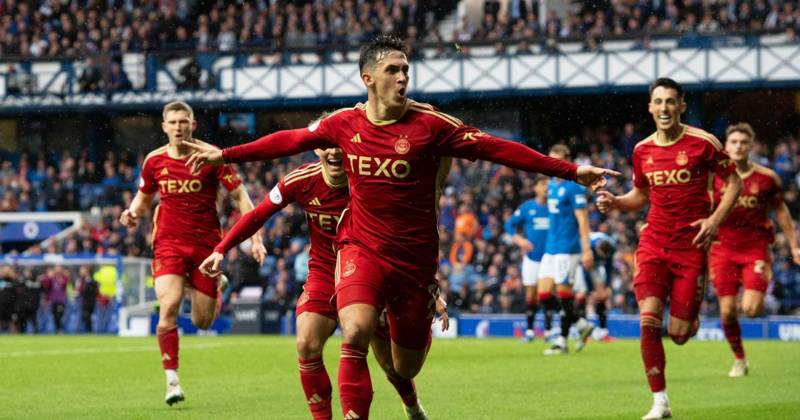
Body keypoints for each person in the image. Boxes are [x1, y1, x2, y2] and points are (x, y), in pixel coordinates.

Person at [185, 35, 617, 419]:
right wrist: (227, 155)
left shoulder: (432, 126)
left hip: (414, 263)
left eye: (406, 69)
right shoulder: (344, 124)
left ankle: (409, 389)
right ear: (368, 77)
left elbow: (498, 149)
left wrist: (570, 170)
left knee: (404, 366)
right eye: (393, 69)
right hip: (359, 247)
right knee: (353, 330)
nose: (403, 76)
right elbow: (289, 140)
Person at [199, 149, 445, 420]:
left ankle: (411, 406)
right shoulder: (302, 180)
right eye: (326, 146)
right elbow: (259, 214)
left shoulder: (369, 181)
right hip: (325, 273)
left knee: (389, 363)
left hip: (370, 270)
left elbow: (409, 229)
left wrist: (423, 283)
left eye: (339, 147)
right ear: (318, 150)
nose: (333, 152)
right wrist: (221, 249)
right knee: (306, 343)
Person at [596, 77, 742, 420]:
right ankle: (660, 402)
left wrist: (715, 220)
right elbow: (641, 195)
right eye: (658, 102)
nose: (664, 108)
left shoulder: (703, 143)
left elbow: (733, 182)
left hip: (690, 246)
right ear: (650, 107)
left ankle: (688, 318)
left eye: (670, 102)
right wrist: (616, 202)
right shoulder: (641, 150)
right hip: (653, 242)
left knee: (677, 334)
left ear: (681, 106)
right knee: (647, 320)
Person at [119, 101, 265, 406]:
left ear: (193, 125)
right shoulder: (154, 160)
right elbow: (143, 200)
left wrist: (256, 239)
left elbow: (241, 197)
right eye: (172, 122)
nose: (178, 127)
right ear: (164, 127)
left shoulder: (211, 156)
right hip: (169, 244)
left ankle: (215, 284)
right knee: (168, 305)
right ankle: (171, 380)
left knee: (202, 322)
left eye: (184, 121)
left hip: (205, 246)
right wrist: (132, 213)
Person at [709, 122, 800, 377]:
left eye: (743, 142)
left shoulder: (767, 178)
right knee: (727, 311)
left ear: (751, 146)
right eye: (733, 142)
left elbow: (781, 212)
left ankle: (755, 282)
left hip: (755, 249)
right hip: (722, 249)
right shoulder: (713, 178)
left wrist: (794, 246)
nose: (738, 146)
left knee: (751, 309)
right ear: (726, 146)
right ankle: (740, 359)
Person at [538, 145, 595, 355]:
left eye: (558, 161)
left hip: (568, 248)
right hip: (550, 247)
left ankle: (561, 341)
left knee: (564, 294)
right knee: (544, 294)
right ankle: (580, 324)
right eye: (551, 160)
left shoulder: (575, 187)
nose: (554, 165)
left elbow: (583, 220)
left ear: (568, 162)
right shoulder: (552, 185)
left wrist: (586, 249)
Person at [504, 175, 551, 342]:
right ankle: (530, 331)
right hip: (531, 258)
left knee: (547, 294)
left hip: (549, 258)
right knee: (531, 296)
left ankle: (548, 331)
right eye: (543, 185)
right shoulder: (527, 207)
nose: (546, 188)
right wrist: (519, 240)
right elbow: (509, 225)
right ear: (536, 188)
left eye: (548, 185)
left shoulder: (555, 207)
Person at [585, 230, 617, 341]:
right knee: (583, 295)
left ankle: (603, 332)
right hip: (582, 263)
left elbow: (609, 267)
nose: (604, 258)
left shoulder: (611, 246)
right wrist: (590, 290)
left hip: (596, 266)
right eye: (601, 255)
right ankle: (584, 332)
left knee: (602, 295)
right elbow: (585, 269)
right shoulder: (590, 246)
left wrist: (608, 286)